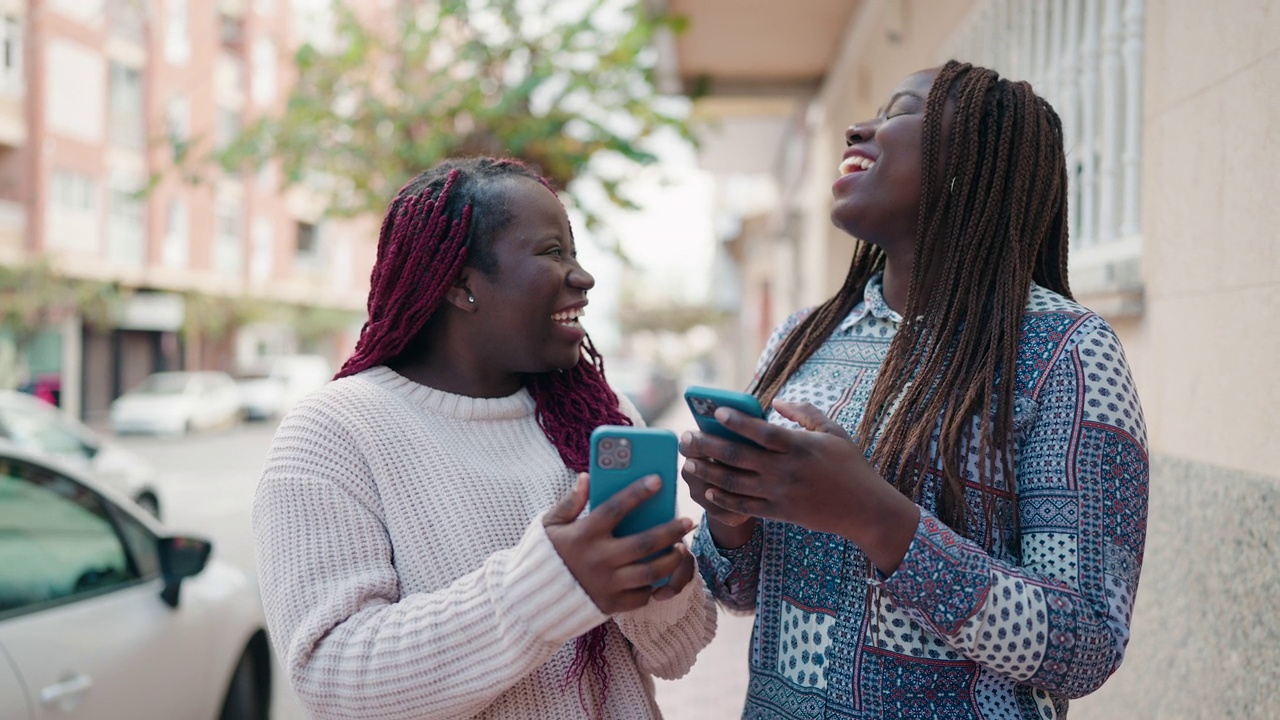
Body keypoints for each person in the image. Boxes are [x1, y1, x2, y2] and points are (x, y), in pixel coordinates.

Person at [682, 61, 1149, 719]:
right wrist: (730, 516)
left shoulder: (1065, 350)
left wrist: (875, 516)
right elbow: (737, 588)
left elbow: (1085, 642)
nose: (857, 128)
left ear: (968, 165)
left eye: (901, 111)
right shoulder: (802, 337)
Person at [253, 157, 716, 720]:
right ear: (461, 284)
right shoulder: (333, 434)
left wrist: (660, 584)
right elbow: (333, 677)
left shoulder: (599, 415)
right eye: (552, 252)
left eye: (574, 252)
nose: (583, 277)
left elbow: (677, 654)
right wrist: (547, 587)